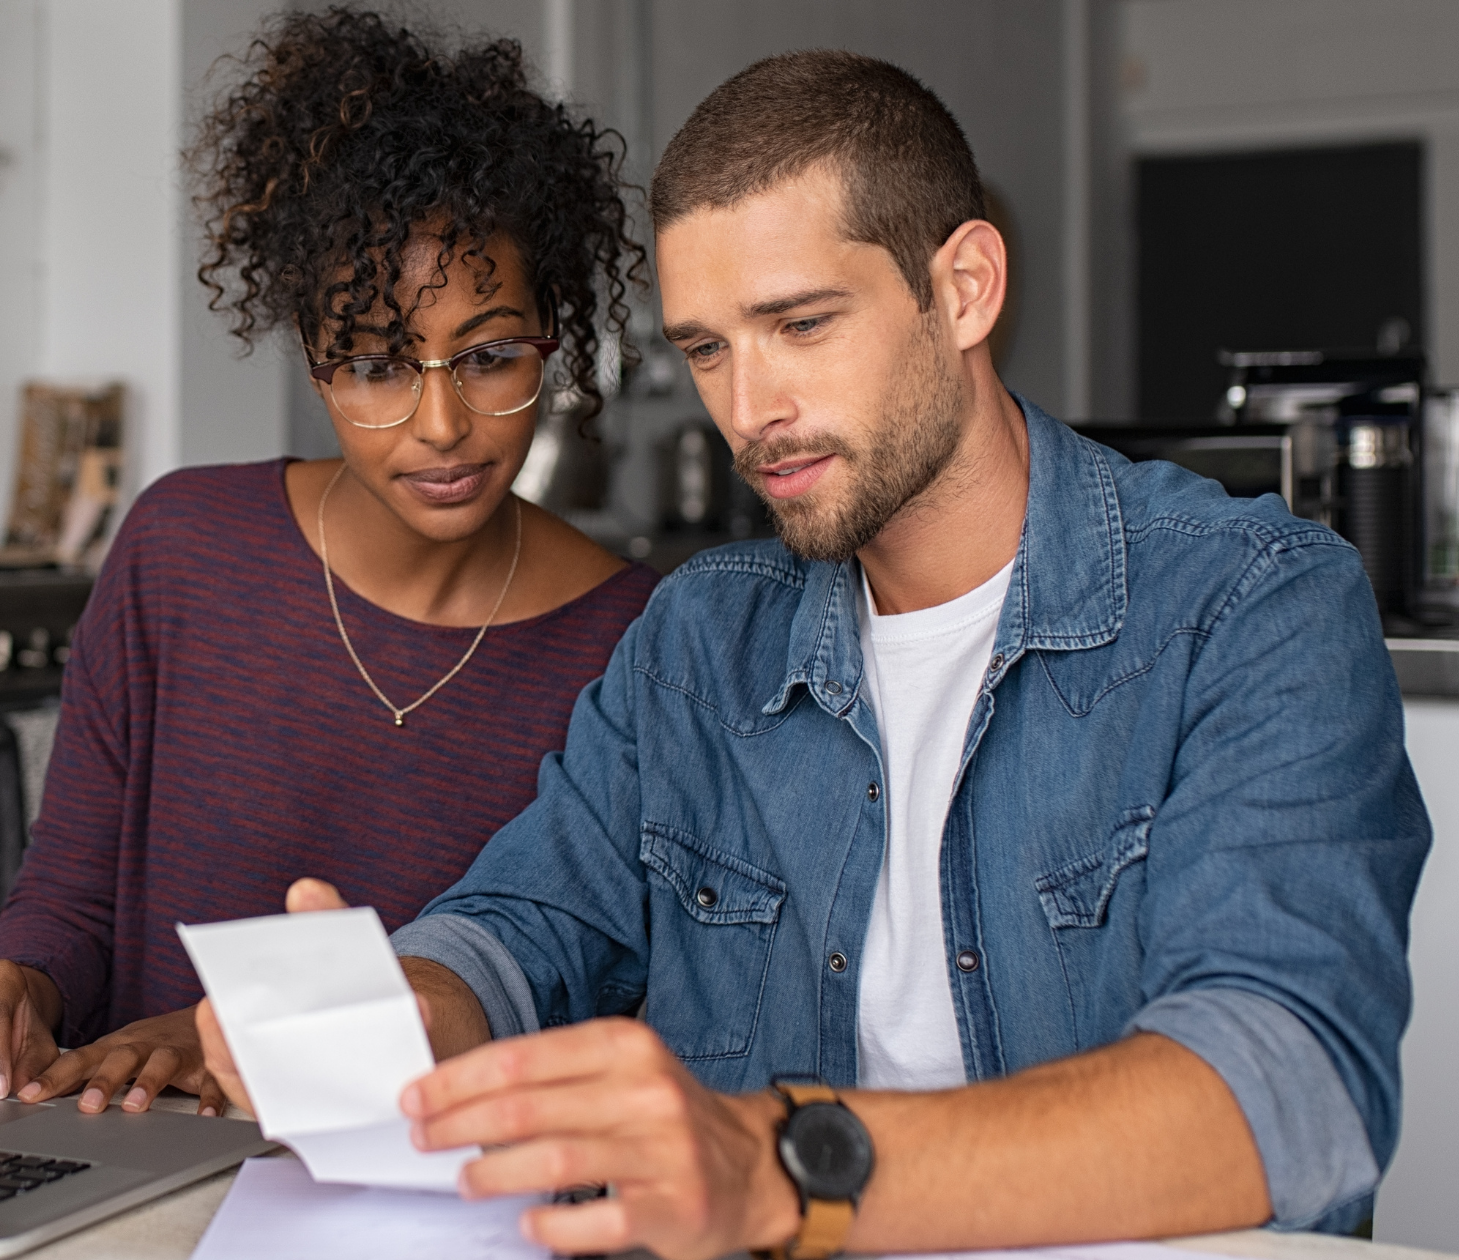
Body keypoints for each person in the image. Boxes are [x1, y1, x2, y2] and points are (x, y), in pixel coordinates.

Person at [197, 49, 1431, 1259]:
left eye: (797, 323)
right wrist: (402, 1009)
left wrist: (783, 1168)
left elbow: (1289, 1088)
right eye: (708, 347)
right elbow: (525, 923)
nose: (747, 409)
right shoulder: (698, 640)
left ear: (963, 289)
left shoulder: (1250, 605)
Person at [0, 8, 658, 1120]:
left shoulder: (632, 642)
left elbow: (581, 999)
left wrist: (233, 1040)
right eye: (374, 363)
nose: (438, 424)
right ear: (315, 366)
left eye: (489, 356)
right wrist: (18, 988)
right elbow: (71, 899)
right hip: (133, 1161)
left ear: (552, 342)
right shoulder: (179, 549)